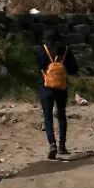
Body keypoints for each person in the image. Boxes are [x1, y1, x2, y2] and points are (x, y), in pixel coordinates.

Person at [36, 29, 79, 159]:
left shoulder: (43, 50)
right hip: (61, 87)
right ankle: (62, 145)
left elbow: (40, 66)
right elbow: (74, 69)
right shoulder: (65, 50)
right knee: (61, 115)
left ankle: (52, 145)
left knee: (48, 117)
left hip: (45, 87)